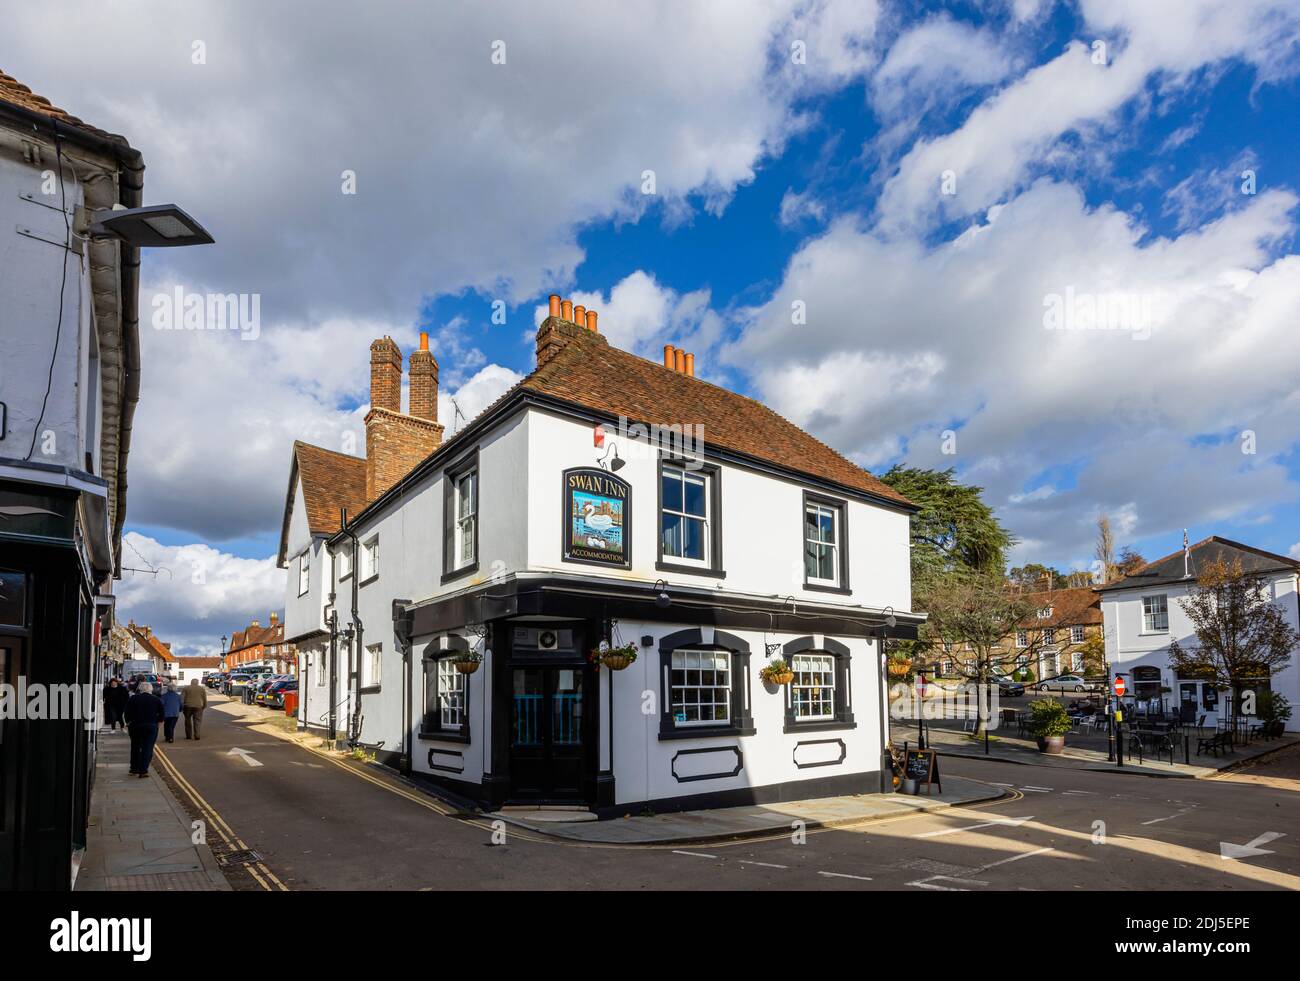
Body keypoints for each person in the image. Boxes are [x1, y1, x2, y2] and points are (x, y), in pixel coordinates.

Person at [124, 681, 165, 778]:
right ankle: (143, 771)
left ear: (140, 689)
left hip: (135, 726)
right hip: (151, 726)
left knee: (135, 747)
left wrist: (128, 722)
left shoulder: (133, 698)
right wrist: (159, 723)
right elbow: (162, 713)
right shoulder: (156, 699)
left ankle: (134, 768)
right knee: (147, 748)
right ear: (151, 689)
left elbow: (127, 712)